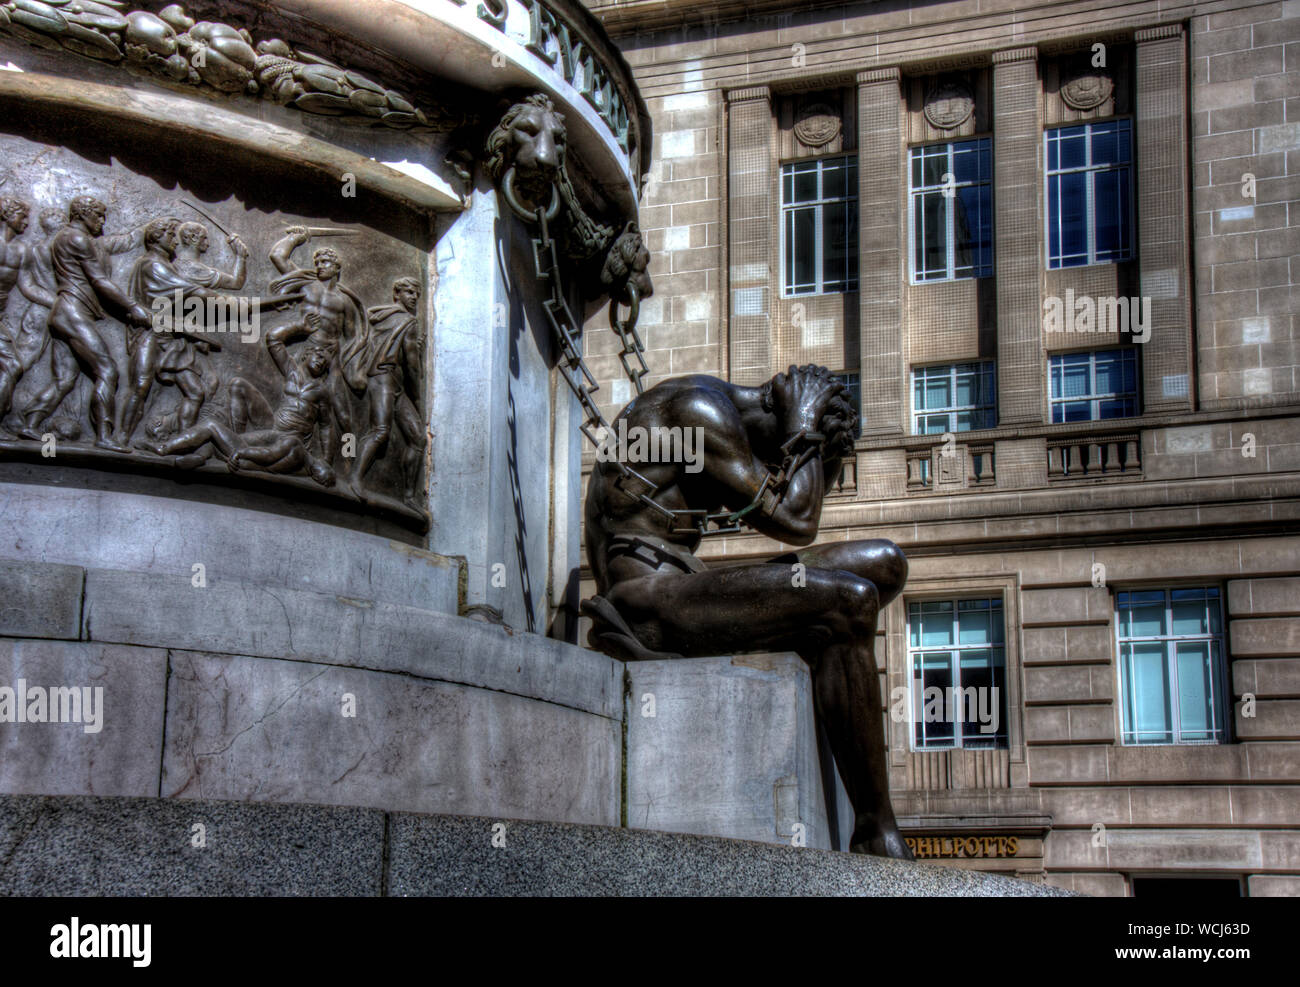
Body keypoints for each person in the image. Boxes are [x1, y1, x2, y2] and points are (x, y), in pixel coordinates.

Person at [582, 364, 911, 858]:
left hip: (683, 581)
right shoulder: (696, 409)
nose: (795, 473)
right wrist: (806, 423)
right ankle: (874, 830)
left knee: (886, 562)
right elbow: (799, 522)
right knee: (849, 602)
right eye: (802, 458)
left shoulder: (720, 416)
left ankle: (804, 634)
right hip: (643, 598)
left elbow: (799, 511)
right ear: (788, 423)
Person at [37, 196, 151, 451]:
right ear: (82, 214)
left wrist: (143, 230)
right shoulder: (76, 238)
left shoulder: (82, 240)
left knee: (65, 379)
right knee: (108, 370)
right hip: (72, 312)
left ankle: (28, 421)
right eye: (98, 215)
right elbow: (99, 281)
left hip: (69, 313)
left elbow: (113, 247)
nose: (102, 221)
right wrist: (132, 306)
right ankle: (103, 435)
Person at [353, 277, 425, 507]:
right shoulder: (407, 322)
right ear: (397, 294)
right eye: (409, 292)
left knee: (418, 438)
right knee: (381, 431)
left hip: (394, 383)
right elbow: (412, 366)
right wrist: (417, 399)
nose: (414, 297)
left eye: (417, 294)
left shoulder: (381, 316)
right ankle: (355, 478)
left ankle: (409, 497)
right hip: (383, 378)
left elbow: (408, 358)